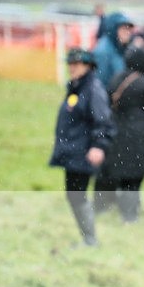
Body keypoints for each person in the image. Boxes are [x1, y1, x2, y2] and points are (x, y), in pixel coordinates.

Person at [49, 48, 116, 247]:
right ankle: (88, 238)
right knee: (74, 195)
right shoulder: (77, 87)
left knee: (77, 195)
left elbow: (103, 121)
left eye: (76, 64)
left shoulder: (93, 89)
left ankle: (90, 240)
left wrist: (98, 146)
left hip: (83, 152)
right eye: (70, 64)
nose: (72, 68)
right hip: (73, 152)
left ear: (88, 66)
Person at [103, 46, 144, 223]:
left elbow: (108, 102)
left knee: (124, 173)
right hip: (141, 136)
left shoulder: (116, 79)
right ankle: (130, 214)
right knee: (136, 176)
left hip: (118, 133)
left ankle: (126, 209)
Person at [91, 11, 135, 211]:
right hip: (107, 114)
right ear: (112, 29)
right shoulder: (103, 51)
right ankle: (100, 203)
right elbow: (98, 88)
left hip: (118, 114)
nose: (127, 32)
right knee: (106, 160)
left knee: (115, 158)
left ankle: (109, 198)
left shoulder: (120, 50)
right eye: (123, 28)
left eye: (129, 28)